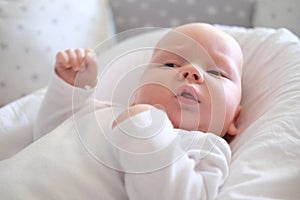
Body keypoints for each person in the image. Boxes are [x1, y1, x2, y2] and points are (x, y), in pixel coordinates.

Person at [1, 23, 243, 199]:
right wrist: (71, 86)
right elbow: (48, 134)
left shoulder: (203, 150)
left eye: (216, 73)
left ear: (234, 118)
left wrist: (146, 129)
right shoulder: (102, 112)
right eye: (171, 64)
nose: (191, 72)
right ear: (138, 90)